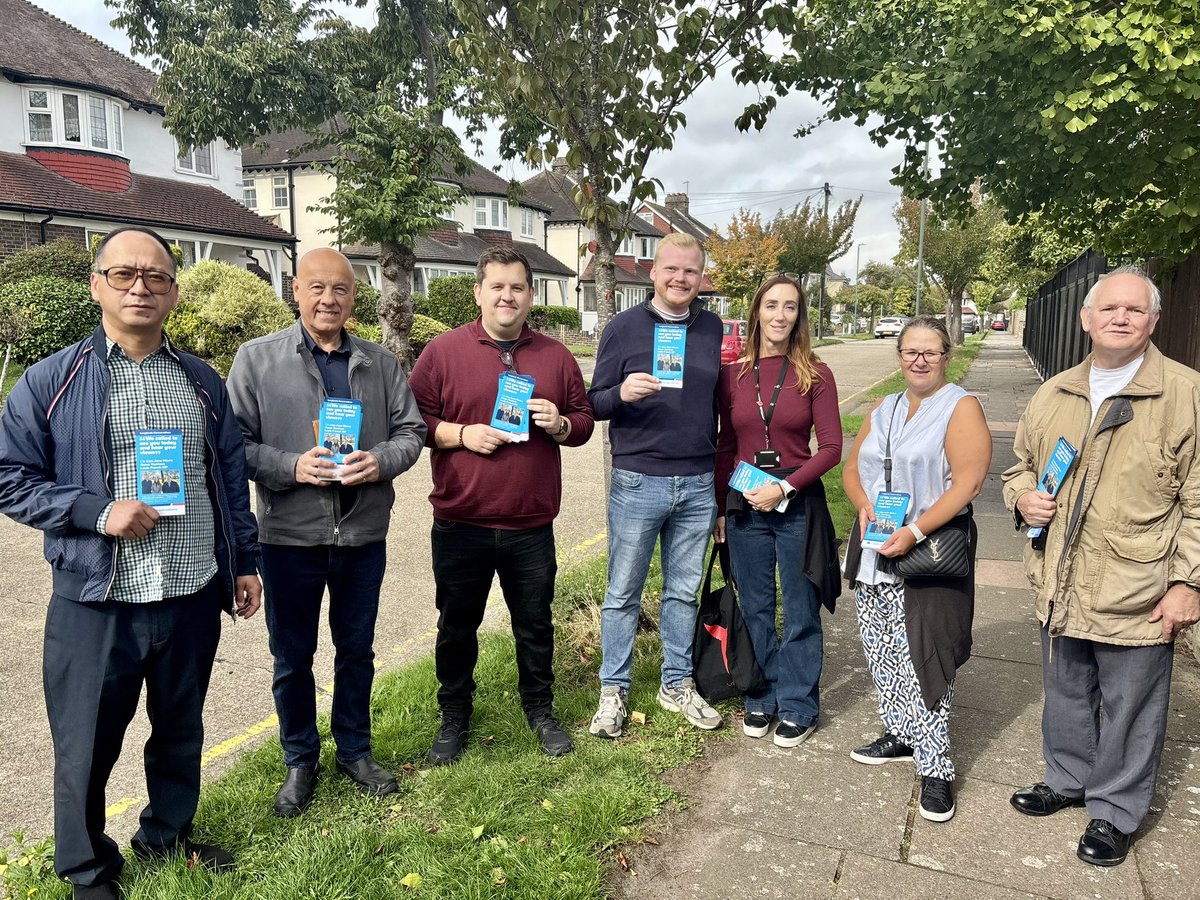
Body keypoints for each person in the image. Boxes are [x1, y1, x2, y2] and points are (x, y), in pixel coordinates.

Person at [0, 225, 262, 900]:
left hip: (188, 590)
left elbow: (228, 477)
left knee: (180, 731)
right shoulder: (51, 380)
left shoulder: (202, 381)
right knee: (85, 747)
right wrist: (95, 510)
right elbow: (9, 476)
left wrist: (244, 561)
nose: (142, 286)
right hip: (98, 600)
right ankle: (87, 871)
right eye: (125, 274)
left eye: (157, 277)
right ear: (97, 286)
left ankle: (167, 836)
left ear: (175, 294)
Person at [1001, 266, 1200, 866]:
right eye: (1108, 308)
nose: (1120, 318)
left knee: (1132, 707)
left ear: (1153, 321)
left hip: (1138, 585)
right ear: (1086, 319)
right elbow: (1019, 469)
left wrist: (1188, 582)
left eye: (1134, 310)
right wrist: (1023, 496)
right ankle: (1067, 779)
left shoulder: (1185, 394)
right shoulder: (1055, 390)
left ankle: (1114, 811)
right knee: (1064, 690)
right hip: (1059, 579)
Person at [227, 248, 425, 817]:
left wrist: (380, 461)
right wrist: (291, 466)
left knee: (356, 650)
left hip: (363, 536)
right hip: (289, 538)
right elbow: (233, 446)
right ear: (295, 290)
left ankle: (355, 751)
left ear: (353, 297)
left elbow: (411, 432)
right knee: (292, 656)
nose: (328, 299)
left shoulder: (380, 364)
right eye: (316, 288)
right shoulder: (257, 360)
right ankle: (299, 758)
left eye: (339, 289)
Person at [408, 246, 594, 764]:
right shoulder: (441, 353)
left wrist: (559, 424)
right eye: (497, 286)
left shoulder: (555, 356)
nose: (507, 296)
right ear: (479, 292)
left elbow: (583, 422)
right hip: (461, 520)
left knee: (534, 623)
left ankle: (540, 709)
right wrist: (461, 433)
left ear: (530, 295)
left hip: (530, 523)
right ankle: (454, 715)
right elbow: (411, 423)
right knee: (456, 623)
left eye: (517, 287)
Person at [842, 315, 991, 823]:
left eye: (931, 351)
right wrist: (863, 505)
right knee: (882, 647)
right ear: (899, 356)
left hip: (926, 553)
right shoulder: (882, 408)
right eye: (911, 352)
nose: (920, 360)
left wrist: (916, 530)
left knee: (926, 656)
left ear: (946, 356)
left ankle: (937, 767)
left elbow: (968, 482)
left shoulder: (960, 406)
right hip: (875, 547)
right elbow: (850, 467)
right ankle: (902, 734)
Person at [587, 232, 724, 738]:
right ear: (653, 272)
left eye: (690, 271)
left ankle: (676, 683)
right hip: (638, 480)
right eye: (672, 269)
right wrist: (621, 391)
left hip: (696, 481)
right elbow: (593, 402)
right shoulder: (624, 328)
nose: (680, 278)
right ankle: (613, 691)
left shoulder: (712, 328)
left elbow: (720, 408)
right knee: (623, 592)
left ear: (700, 277)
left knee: (683, 593)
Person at [714, 275, 842, 748]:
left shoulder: (816, 374)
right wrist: (721, 509)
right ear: (756, 313)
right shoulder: (733, 376)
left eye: (790, 307)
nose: (780, 315)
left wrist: (784, 487)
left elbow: (830, 448)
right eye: (771, 305)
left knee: (801, 606)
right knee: (757, 605)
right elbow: (725, 445)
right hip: (745, 509)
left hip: (796, 508)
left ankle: (799, 704)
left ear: (799, 316)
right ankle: (761, 695)